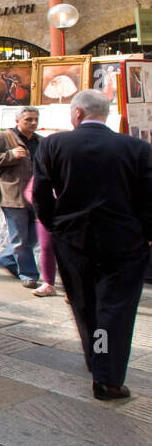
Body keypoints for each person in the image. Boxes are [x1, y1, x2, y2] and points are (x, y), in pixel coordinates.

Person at [33, 89, 152, 401]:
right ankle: (107, 376)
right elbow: (148, 199)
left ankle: (96, 358)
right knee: (115, 309)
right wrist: (146, 233)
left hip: (73, 239)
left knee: (85, 306)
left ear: (77, 114)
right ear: (106, 114)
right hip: (123, 241)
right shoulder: (136, 148)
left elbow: (41, 194)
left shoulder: (54, 144)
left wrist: (53, 225)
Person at [0, 107, 41, 289]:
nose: (33, 123)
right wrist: (10, 155)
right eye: (28, 119)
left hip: (35, 195)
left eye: (35, 119)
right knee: (20, 238)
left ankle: (7, 258)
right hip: (12, 194)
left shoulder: (40, 141)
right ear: (18, 121)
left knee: (33, 237)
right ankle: (28, 274)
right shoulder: (2, 138)